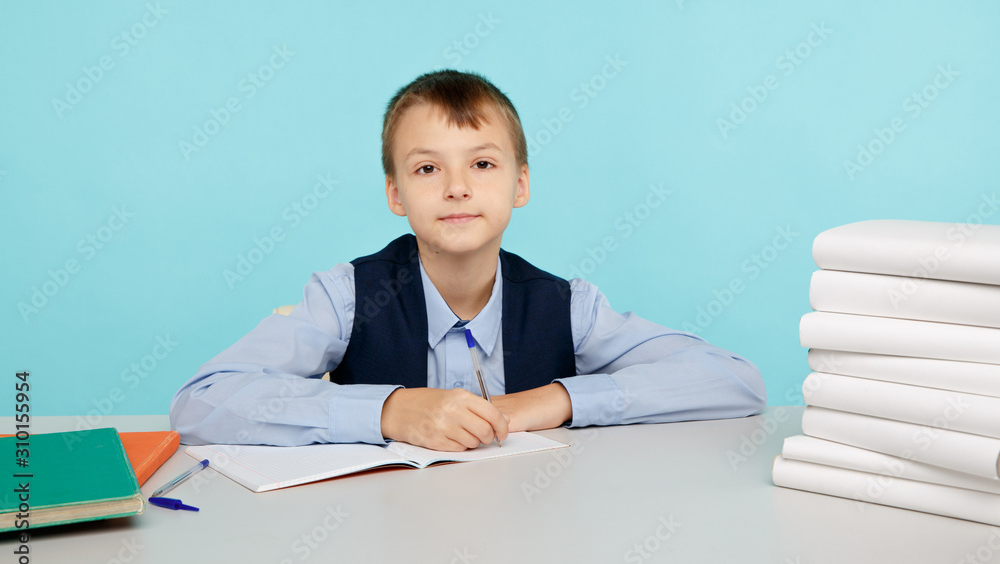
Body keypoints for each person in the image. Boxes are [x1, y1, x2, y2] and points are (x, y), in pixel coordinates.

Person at [169, 69, 765, 451]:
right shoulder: (346, 297)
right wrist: (389, 410)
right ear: (396, 194)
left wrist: (555, 400)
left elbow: (735, 380)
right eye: (428, 168)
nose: (457, 188)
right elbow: (200, 402)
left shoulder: (568, 306)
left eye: (482, 164)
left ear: (520, 184)